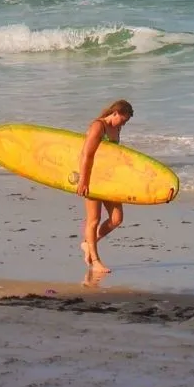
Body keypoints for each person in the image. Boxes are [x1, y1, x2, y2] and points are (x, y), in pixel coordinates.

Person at [76, 99, 134, 276]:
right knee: (93, 219)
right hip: (92, 178)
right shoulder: (98, 126)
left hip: (108, 179)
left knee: (117, 218)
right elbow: (86, 155)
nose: (123, 124)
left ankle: (88, 243)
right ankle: (95, 261)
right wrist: (83, 181)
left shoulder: (116, 128)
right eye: (123, 120)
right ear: (115, 113)